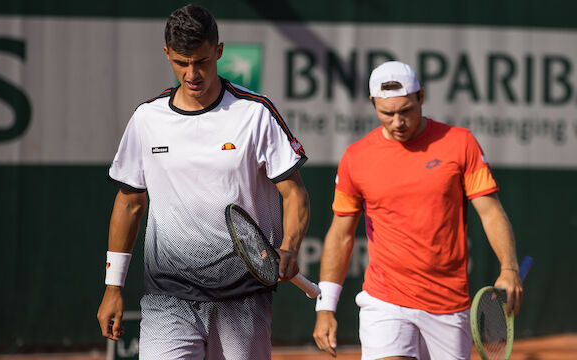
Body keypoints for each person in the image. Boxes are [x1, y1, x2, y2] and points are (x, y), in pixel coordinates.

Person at [96, 4, 310, 360]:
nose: (192, 73)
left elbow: (295, 193)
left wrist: (289, 246)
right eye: (182, 62)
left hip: (242, 298)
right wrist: (112, 286)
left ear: (219, 52)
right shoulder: (147, 119)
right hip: (168, 297)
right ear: (167, 54)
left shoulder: (255, 113)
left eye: (202, 61)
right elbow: (130, 202)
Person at [312, 61, 523, 360]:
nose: (398, 121)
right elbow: (341, 235)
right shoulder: (355, 158)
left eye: (406, 110)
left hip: (449, 303)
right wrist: (325, 307)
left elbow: (490, 212)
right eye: (387, 113)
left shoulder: (460, 143)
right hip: (385, 299)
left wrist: (509, 268)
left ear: (421, 97)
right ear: (373, 104)